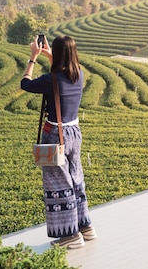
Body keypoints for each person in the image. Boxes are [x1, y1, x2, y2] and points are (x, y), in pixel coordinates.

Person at [20, 35, 96, 249]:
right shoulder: (78, 75)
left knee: (59, 185)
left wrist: (33, 58)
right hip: (74, 133)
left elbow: (25, 83)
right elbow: (59, 74)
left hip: (56, 134)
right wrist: (50, 55)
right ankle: (85, 228)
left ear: (58, 53)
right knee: (76, 179)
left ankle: (69, 235)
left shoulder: (50, 80)